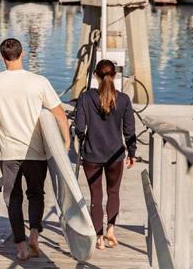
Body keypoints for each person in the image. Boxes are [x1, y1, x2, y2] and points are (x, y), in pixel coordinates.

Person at [0, 38, 70, 261]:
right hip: (36, 152)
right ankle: (34, 234)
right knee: (35, 195)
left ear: (2, 57)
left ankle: (21, 247)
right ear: (22, 54)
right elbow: (59, 114)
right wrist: (67, 142)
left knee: (13, 199)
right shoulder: (39, 81)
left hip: (8, 151)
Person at [74, 59, 137, 250]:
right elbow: (129, 130)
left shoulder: (85, 98)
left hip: (92, 155)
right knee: (113, 192)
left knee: (95, 196)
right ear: (115, 76)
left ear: (95, 75)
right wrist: (132, 152)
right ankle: (110, 229)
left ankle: (99, 238)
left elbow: (78, 127)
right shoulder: (124, 99)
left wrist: (82, 139)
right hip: (115, 155)